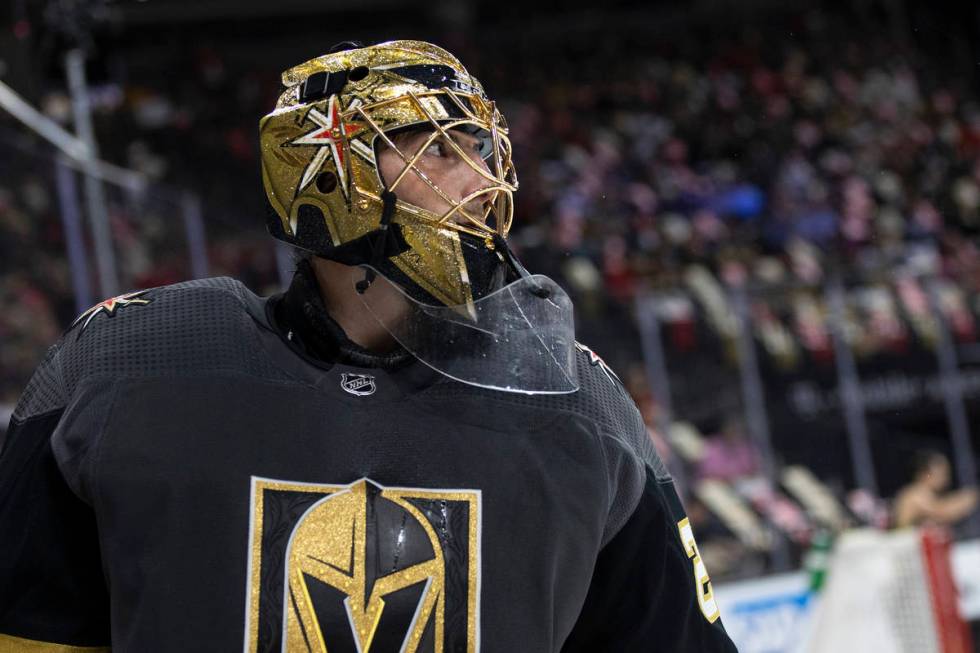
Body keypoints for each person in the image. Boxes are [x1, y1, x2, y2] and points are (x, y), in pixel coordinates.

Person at [0, 40, 737, 651]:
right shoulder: (137, 361)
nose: (478, 183)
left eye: (479, 150)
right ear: (322, 173)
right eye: (436, 152)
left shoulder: (580, 401)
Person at [893, 450, 979, 529]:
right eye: (941, 474)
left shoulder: (928, 494)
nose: (946, 478)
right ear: (926, 474)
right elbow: (942, 512)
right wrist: (968, 499)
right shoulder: (915, 493)